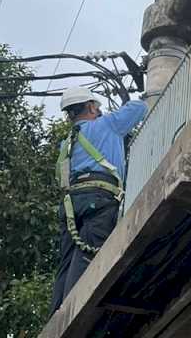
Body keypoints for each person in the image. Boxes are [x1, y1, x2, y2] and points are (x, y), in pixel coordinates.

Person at [50, 87, 147, 314]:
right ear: (92, 106)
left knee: (66, 263)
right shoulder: (108, 125)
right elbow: (140, 108)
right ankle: (72, 316)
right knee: (87, 257)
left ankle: (56, 318)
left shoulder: (65, 144)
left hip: (70, 205)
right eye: (97, 107)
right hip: (100, 197)